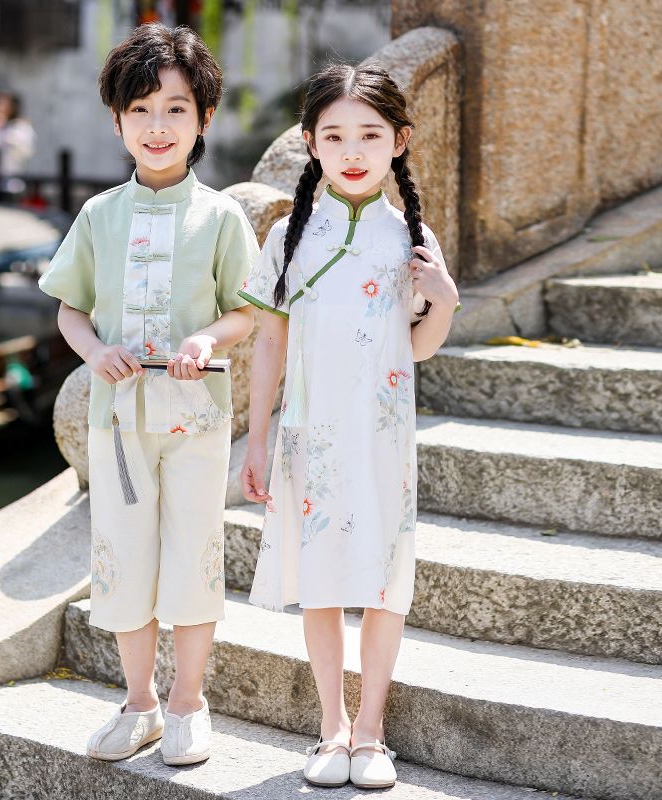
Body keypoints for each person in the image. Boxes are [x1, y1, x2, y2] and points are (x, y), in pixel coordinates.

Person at [38, 23, 258, 766]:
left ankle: (191, 702)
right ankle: (140, 705)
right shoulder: (100, 215)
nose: (157, 126)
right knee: (123, 560)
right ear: (117, 121)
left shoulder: (222, 216)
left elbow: (247, 308)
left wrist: (207, 341)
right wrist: (95, 351)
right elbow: (69, 306)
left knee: (194, 555)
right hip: (117, 423)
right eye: (140, 111)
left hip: (197, 419)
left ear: (203, 119)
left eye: (174, 109)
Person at [239, 62, 460, 789]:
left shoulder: (412, 239)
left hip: (383, 436)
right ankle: (330, 728)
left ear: (399, 141)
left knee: (385, 582)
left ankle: (372, 733)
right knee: (324, 581)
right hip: (311, 433)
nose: (353, 149)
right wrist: (259, 435)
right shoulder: (289, 237)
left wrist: (445, 302)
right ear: (310, 143)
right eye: (334, 135)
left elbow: (417, 347)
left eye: (370, 134)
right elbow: (268, 340)